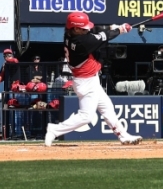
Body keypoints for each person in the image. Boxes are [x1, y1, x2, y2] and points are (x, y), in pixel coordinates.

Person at [44, 12, 142, 147]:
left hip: (89, 80)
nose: (87, 29)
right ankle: (55, 129)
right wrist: (120, 29)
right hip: (86, 82)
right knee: (86, 116)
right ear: (76, 29)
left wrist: (110, 27)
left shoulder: (69, 34)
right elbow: (103, 37)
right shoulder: (82, 43)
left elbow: (94, 30)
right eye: (83, 28)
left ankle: (123, 135)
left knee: (107, 108)